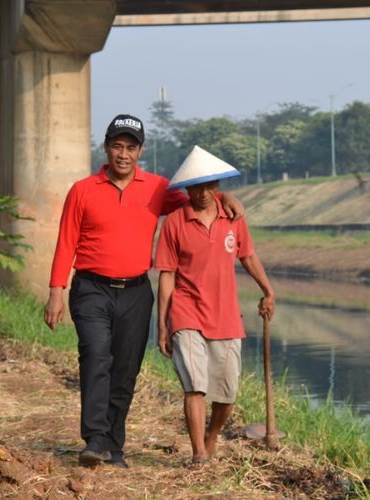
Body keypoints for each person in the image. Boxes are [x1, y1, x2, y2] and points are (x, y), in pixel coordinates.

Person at [43, 115, 243, 468]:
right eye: (117, 146)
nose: (124, 154)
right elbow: (65, 242)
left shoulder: (156, 188)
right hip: (91, 288)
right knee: (96, 356)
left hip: (136, 292)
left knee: (125, 369)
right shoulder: (83, 190)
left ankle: (115, 446)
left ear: (141, 151)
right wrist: (56, 291)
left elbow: (197, 198)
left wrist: (224, 196)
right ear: (106, 148)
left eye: (131, 147)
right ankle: (94, 438)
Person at [155, 146, 275, 465]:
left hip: (225, 316)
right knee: (195, 385)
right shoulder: (175, 223)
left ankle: (212, 436)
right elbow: (166, 275)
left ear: (218, 188)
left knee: (226, 396)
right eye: (196, 186)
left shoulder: (233, 218)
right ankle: (198, 454)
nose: (204, 193)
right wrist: (162, 324)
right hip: (186, 312)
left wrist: (268, 290)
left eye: (210, 186)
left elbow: (247, 256)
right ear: (187, 189)